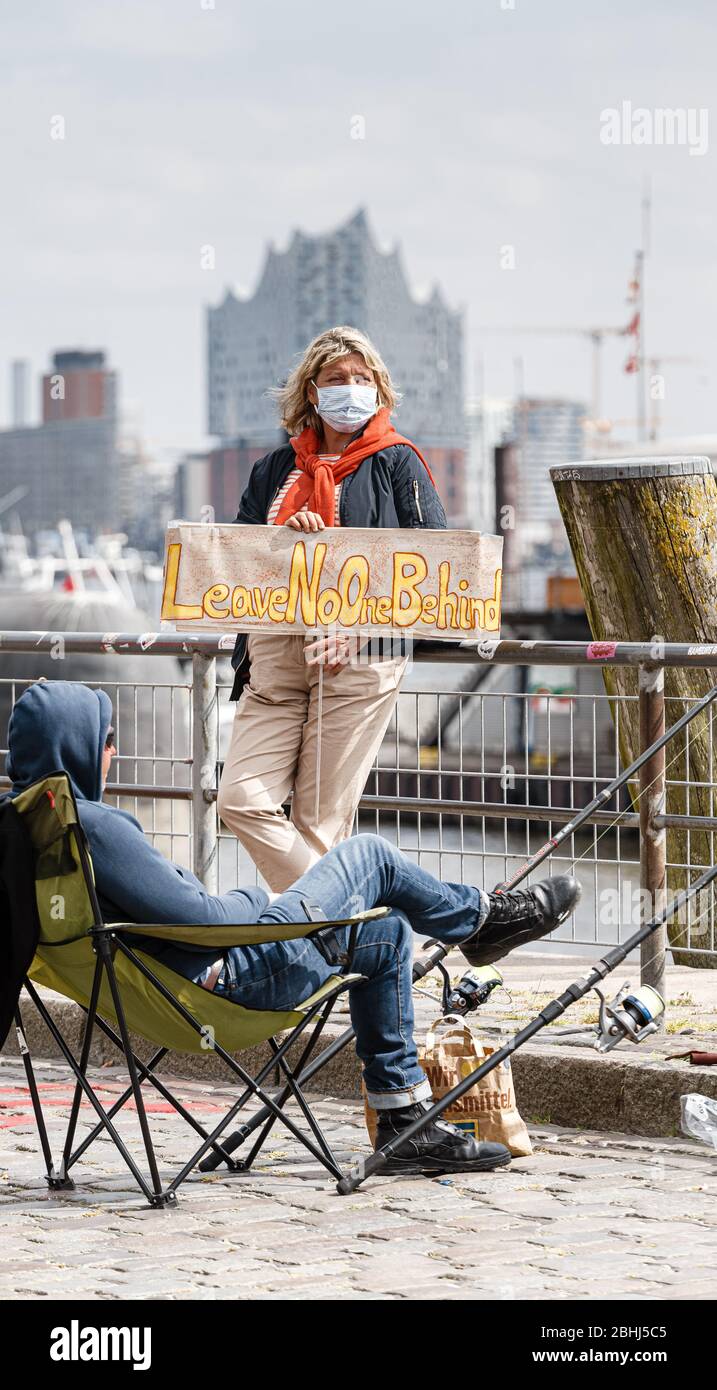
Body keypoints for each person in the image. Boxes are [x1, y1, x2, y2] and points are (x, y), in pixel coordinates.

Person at [6, 681, 581, 1176]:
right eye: (108, 742)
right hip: (233, 977)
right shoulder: (94, 829)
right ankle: (484, 920)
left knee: (386, 931)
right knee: (369, 857)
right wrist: (261, 900)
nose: (114, 754)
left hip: (162, 995)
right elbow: (199, 918)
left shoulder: (31, 829)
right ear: (76, 747)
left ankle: (405, 1120)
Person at [217, 325, 448, 893]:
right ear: (311, 393)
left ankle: (313, 961)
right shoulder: (275, 468)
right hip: (274, 659)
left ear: (379, 390)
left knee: (318, 826)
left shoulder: (398, 463)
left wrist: (363, 631)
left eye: (362, 380)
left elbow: (436, 570)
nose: (351, 389)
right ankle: (354, 917)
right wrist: (286, 539)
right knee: (241, 801)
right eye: (337, 379)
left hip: (359, 659)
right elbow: (243, 559)